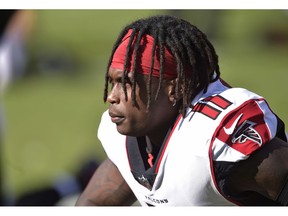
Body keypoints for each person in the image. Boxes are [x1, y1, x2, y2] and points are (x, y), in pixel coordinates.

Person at [75, 15, 288, 206]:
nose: (112, 96)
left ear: (176, 88)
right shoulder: (125, 135)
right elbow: (95, 202)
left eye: (127, 83)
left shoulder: (218, 141)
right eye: (112, 82)